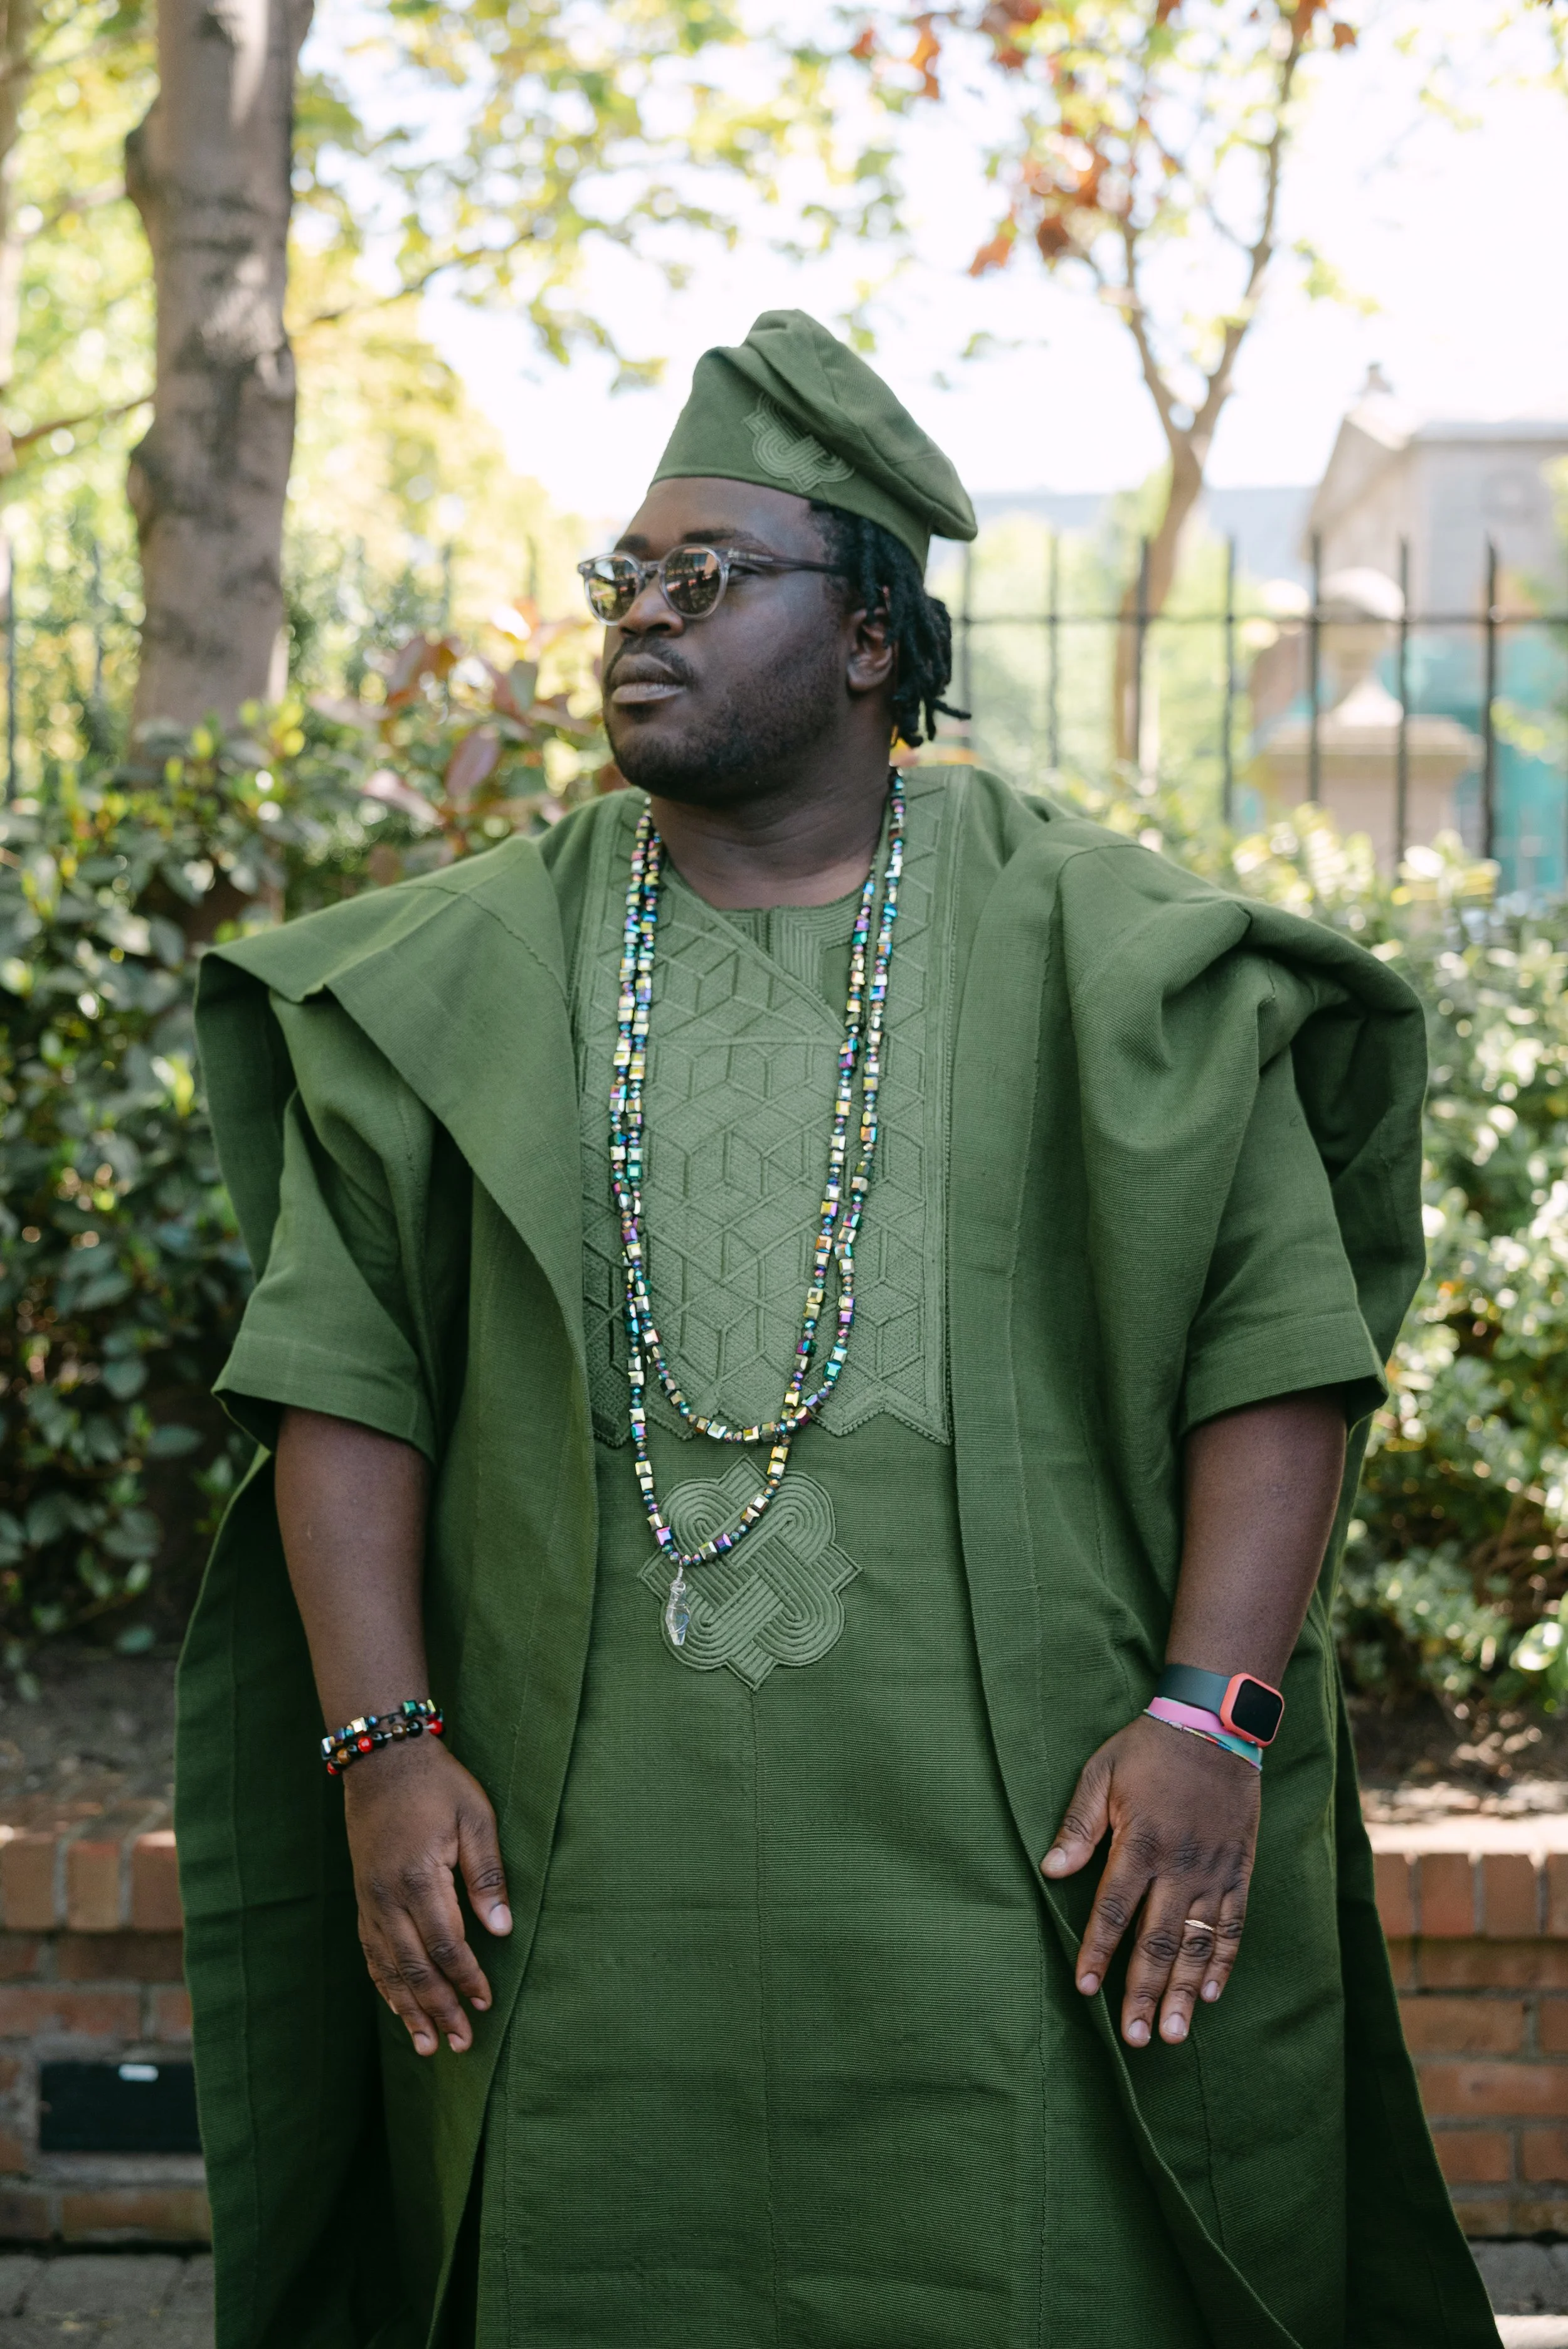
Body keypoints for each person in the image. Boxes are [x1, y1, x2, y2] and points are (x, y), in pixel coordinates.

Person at [183, 309, 1501, 2349]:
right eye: (625, 580)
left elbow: (1276, 1339)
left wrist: (1204, 1721)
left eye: (706, 580)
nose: (640, 620)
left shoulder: (1104, 949)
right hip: (577, 1888)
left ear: (873, 635)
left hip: (1018, 1888)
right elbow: (342, 1383)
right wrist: (383, 1746)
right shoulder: (457, 974)